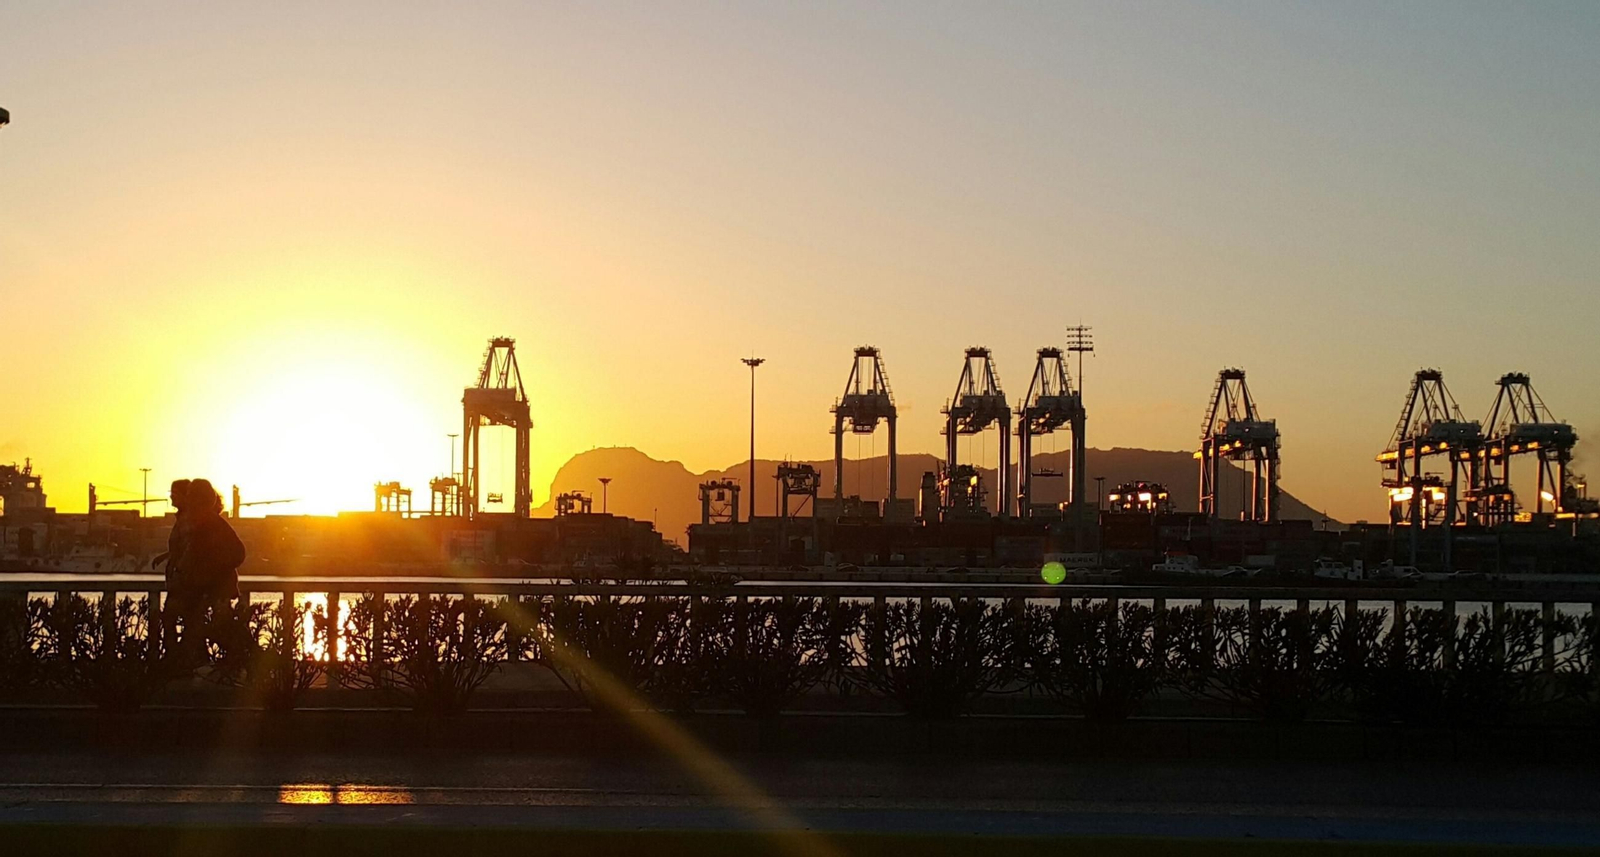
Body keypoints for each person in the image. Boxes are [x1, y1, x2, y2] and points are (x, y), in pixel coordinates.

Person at [169, 478, 245, 666]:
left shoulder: (211, 524)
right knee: (202, 628)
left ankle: (238, 661)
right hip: (200, 588)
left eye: (190, 495)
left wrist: (211, 570)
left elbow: (237, 553)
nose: (187, 499)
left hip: (210, 589)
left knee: (218, 628)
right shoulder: (201, 523)